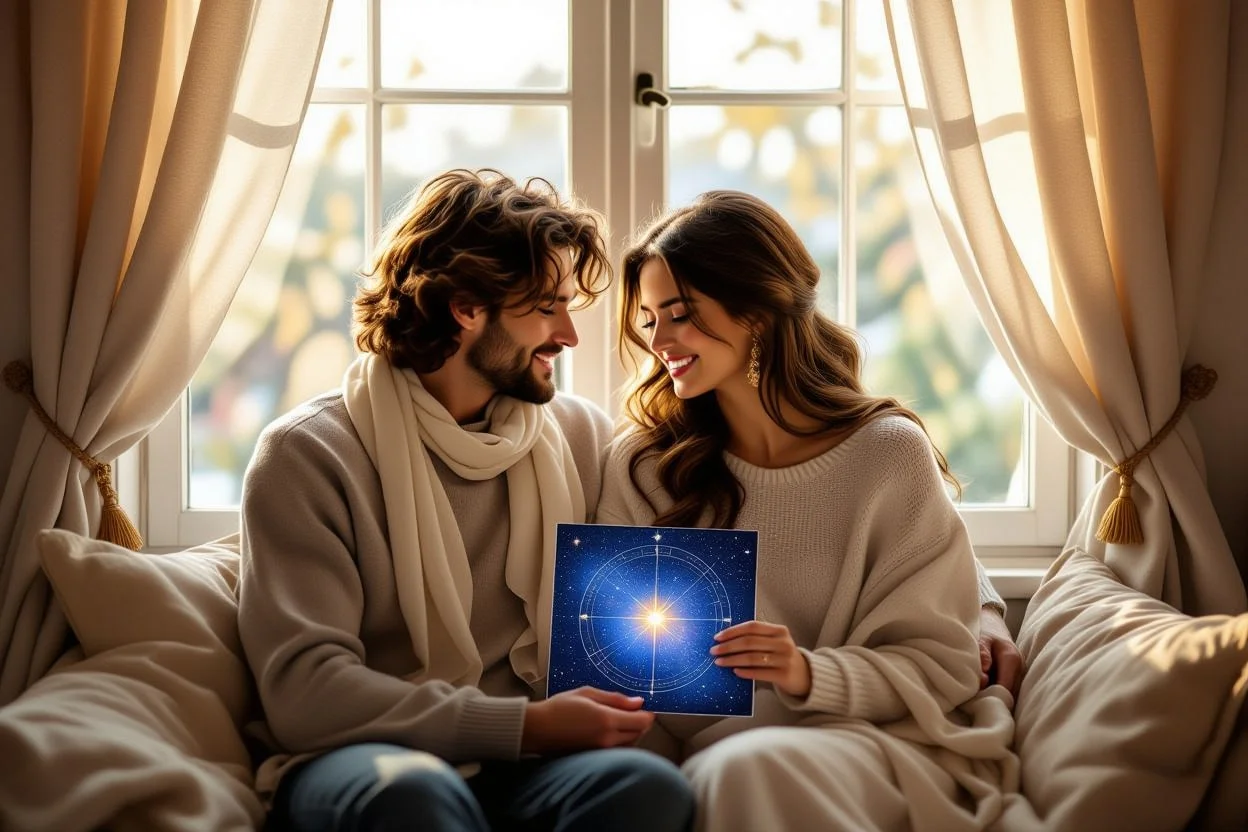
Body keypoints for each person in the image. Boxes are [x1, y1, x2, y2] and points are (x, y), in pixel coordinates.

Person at [238, 169, 695, 832]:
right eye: (548, 307)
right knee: (411, 795)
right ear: (466, 308)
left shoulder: (580, 436)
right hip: (366, 755)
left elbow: (641, 618)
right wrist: (526, 725)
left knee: (646, 787)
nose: (569, 335)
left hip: (534, 763)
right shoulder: (309, 454)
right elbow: (305, 693)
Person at [597, 190, 1018, 831]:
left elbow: (941, 662)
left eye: (679, 314)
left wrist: (805, 672)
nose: (659, 340)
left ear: (756, 312)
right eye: (649, 320)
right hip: (694, 758)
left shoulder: (886, 455)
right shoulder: (646, 466)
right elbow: (616, 664)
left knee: (745, 769)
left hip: (867, 739)